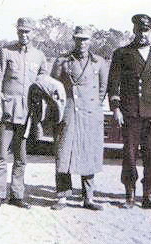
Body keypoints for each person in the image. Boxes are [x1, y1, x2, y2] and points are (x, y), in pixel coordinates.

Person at [107, 14, 151, 211]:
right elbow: (114, 83)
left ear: (150, 31)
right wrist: (116, 108)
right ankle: (129, 195)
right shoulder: (122, 53)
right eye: (139, 29)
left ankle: (148, 196)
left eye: (146, 30)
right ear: (134, 30)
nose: (142, 33)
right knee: (129, 154)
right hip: (130, 112)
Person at [0, 17, 47, 209]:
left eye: (28, 31)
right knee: (1, 156)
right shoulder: (5, 52)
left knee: (21, 157)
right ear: (17, 32)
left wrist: (39, 112)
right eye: (21, 31)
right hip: (6, 110)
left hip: (27, 113)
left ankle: (17, 195)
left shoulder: (39, 56)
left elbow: (44, 84)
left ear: (33, 33)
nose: (24, 35)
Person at [49, 26, 108, 211]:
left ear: (90, 41)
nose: (82, 43)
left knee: (88, 154)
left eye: (85, 39)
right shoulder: (62, 61)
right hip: (68, 112)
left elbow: (102, 89)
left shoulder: (98, 62)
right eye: (78, 39)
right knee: (63, 152)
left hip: (90, 113)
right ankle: (62, 196)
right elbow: (54, 86)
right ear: (74, 40)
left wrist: (94, 107)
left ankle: (88, 197)